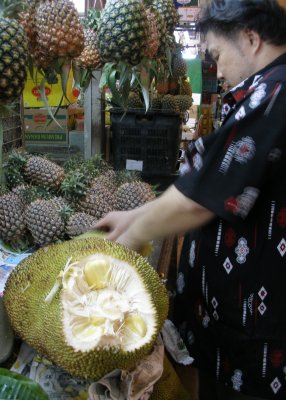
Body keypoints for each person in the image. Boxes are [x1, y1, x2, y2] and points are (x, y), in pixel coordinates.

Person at [96, 1, 286, 398]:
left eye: (217, 56)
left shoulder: (276, 94)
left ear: (251, 39)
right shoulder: (267, 90)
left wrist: (131, 237)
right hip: (237, 326)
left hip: (258, 339)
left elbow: (203, 198)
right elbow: (208, 181)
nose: (218, 70)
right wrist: (135, 215)